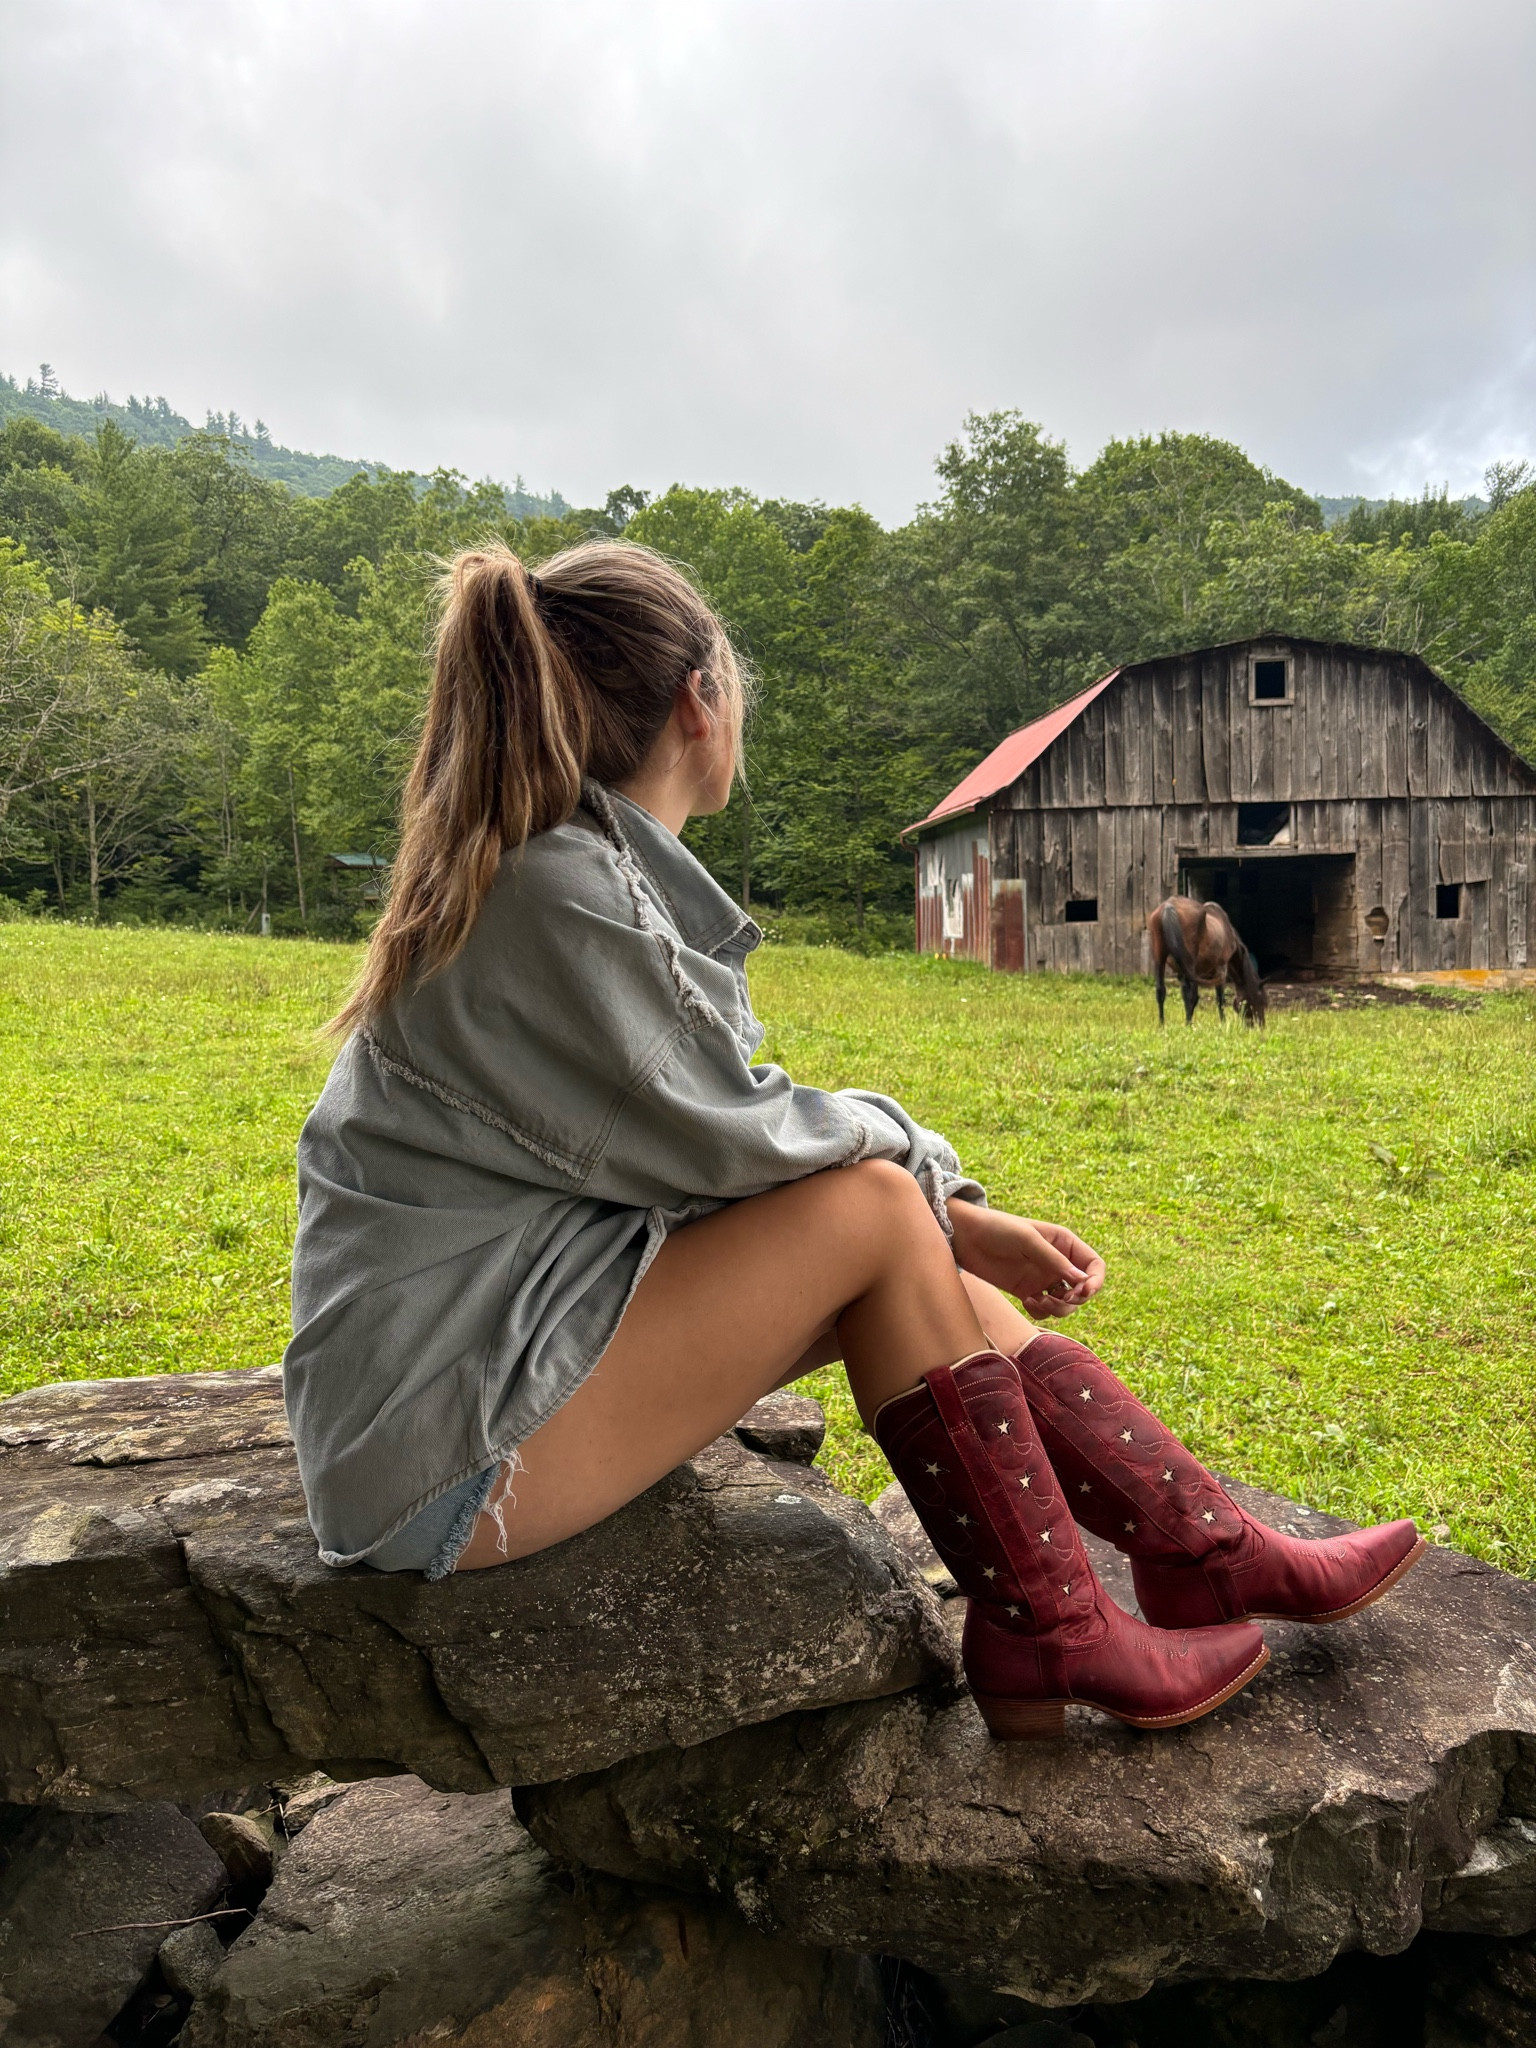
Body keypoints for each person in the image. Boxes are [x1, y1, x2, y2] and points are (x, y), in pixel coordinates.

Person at [283, 539, 1424, 1743]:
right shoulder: (558, 895)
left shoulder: (564, 872)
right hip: (439, 1453)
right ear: (700, 704)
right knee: (875, 1212)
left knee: (899, 1240)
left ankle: (1200, 1548)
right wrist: (942, 1202)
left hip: (484, 1366)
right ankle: (1054, 1627)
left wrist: (955, 1220)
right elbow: (753, 1145)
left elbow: (725, 1147)